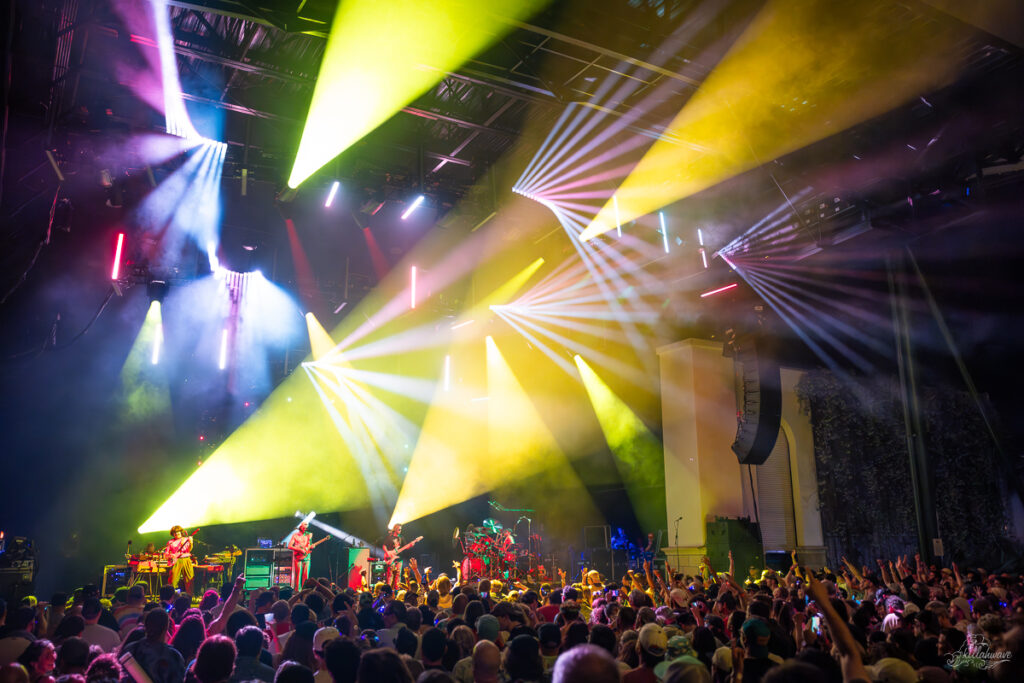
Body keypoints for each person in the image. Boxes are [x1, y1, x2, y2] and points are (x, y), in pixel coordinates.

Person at [164, 526, 195, 594]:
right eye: (174, 532)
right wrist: (170, 555)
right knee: (173, 580)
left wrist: (191, 543)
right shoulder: (170, 542)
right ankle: (171, 596)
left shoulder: (186, 539)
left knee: (189, 579)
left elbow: (189, 550)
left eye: (177, 532)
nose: (176, 533)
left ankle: (189, 596)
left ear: (181, 532)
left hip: (186, 559)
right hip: (176, 561)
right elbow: (166, 553)